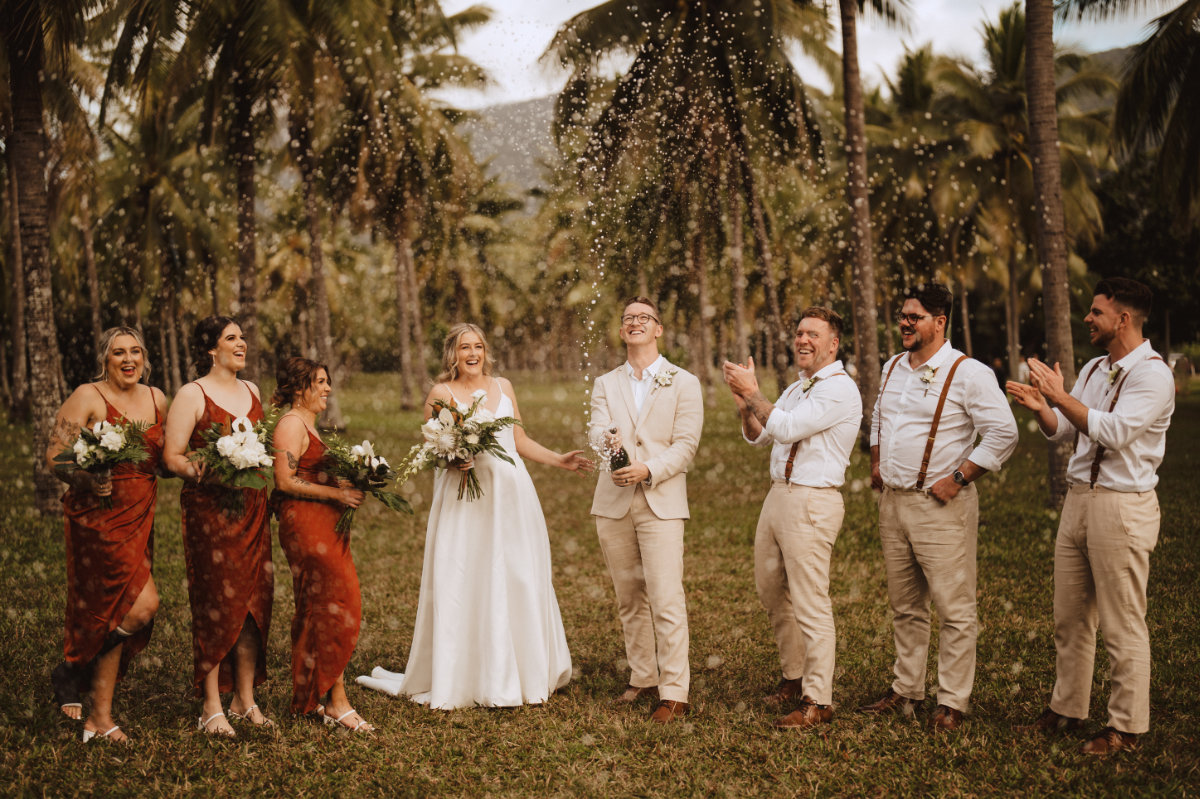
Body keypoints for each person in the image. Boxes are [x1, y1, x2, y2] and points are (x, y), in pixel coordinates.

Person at [359, 323, 591, 708]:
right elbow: (433, 446)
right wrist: (453, 461)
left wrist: (559, 460)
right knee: (465, 574)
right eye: (465, 347)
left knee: (515, 574)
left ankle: (522, 670)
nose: (473, 353)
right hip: (463, 501)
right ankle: (466, 672)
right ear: (452, 353)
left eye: (478, 346)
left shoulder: (503, 386)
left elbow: (518, 440)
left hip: (511, 496)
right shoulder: (441, 394)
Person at [1008, 277, 1174, 755]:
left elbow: (1115, 432)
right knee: (1071, 617)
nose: (1087, 318)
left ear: (1123, 319)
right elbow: (1066, 430)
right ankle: (1067, 709)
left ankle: (1126, 727)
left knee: (1123, 621)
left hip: (1123, 506)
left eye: (1096, 312)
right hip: (1079, 500)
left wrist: (1061, 396)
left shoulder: (1154, 374)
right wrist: (1044, 407)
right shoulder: (1095, 367)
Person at [861, 282, 1017, 732]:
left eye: (915, 317)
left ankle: (952, 701)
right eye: (903, 315)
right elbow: (879, 416)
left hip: (941, 507)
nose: (905, 323)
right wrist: (876, 459)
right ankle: (906, 688)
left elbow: (1004, 433)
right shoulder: (893, 366)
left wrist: (960, 477)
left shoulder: (969, 373)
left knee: (954, 607)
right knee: (905, 606)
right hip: (893, 504)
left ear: (940, 322)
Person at [723, 307, 861, 730]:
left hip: (812, 501)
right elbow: (759, 436)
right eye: (799, 332)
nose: (803, 340)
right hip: (777, 498)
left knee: (811, 601)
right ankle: (793, 675)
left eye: (813, 335)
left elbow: (785, 429)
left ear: (832, 344)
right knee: (771, 593)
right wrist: (747, 404)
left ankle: (818, 700)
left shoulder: (839, 389)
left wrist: (754, 392)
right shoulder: (796, 387)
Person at [46, 327, 168, 743]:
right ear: (105, 359)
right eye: (119, 353)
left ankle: (89, 697)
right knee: (137, 606)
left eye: (135, 351)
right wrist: (83, 478)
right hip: (97, 518)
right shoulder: (87, 396)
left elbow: (165, 460)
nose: (128, 359)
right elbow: (54, 457)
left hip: (140, 517)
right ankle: (79, 675)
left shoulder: (157, 399)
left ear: (145, 357)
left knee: (121, 609)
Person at [588, 297, 703, 723]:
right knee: (629, 597)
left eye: (644, 318)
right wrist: (610, 449)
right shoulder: (605, 382)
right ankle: (642, 676)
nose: (635, 323)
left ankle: (674, 691)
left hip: (662, 501)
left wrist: (648, 469)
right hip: (613, 501)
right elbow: (598, 428)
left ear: (658, 329)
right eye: (628, 319)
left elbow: (686, 445)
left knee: (666, 596)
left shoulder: (683, 382)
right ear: (622, 332)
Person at [163, 316, 273, 736]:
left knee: (252, 603)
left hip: (252, 509)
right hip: (211, 512)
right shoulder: (192, 394)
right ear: (212, 350)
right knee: (215, 603)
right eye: (232, 338)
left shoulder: (253, 391)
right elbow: (172, 457)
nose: (241, 343)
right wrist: (205, 468)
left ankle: (245, 698)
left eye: (243, 336)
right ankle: (211, 704)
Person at [271, 357, 372, 731]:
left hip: (324, 527)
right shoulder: (290, 424)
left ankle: (315, 694)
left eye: (328, 381)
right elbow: (285, 480)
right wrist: (335, 494)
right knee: (332, 604)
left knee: (324, 606)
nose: (328, 388)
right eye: (320, 382)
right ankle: (337, 701)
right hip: (306, 526)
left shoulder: (308, 423)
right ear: (300, 388)